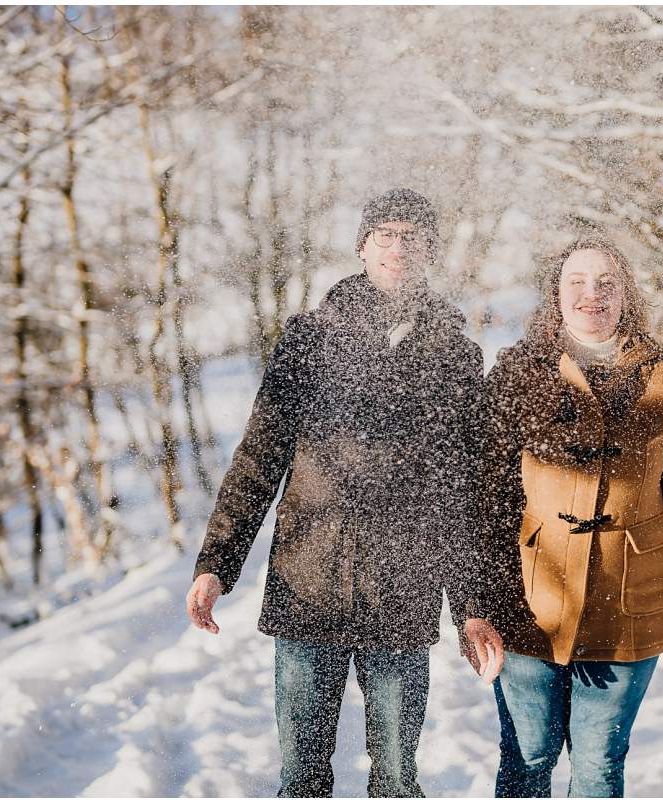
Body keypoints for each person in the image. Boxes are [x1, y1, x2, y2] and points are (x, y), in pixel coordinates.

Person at [184, 188, 504, 797]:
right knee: (302, 779)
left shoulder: (454, 354)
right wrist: (215, 564)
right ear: (362, 246)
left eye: (413, 236)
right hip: (310, 585)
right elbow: (259, 459)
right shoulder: (309, 339)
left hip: (401, 596)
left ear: (430, 251)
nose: (398, 247)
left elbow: (460, 492)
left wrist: (470, 607)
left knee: (395, 779)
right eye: (385, 233)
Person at [479, 236, 663, 797]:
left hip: (632, 599)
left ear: (626, 293)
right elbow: (487, 497)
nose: (592, 294)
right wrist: (479, 606)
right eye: (576, 282)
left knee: (600, 763)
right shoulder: (519, 370)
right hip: (530, 600)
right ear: (555, 295)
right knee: (528, 757)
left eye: (606, 282)